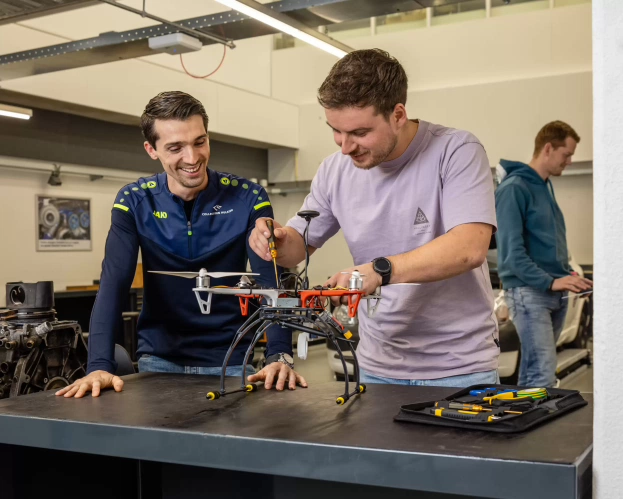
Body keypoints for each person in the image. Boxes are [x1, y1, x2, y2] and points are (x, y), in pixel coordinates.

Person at [248, 49, 499, 388]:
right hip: (377, 364)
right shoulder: (334, 170)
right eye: (336, 131)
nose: (345, 147)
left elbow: (468, 249)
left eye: (360, 132)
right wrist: (273, 239)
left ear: (398, 114)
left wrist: (379, 271)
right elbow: (296, 247)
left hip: (459, 366)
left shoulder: (456, 151)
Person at [57, 91, 306, 398]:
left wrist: (279, 355)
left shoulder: (249, 197)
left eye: (199, 142)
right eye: (175, 147)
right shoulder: (134, 201)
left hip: (231, 360)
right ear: (152, 149)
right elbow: (114, 284)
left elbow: (268, 282)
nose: (192, 158)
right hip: (157, 361)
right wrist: (98, 366)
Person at [495, 121, 592, 387]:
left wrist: (566, 274)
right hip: (530, 293)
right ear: (548, 148)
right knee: (541, 376)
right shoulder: (514, 188)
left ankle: (529, 425)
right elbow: (511, 255)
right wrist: (550, 281)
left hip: (552, 294)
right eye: (567, 154)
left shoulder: (544, 186)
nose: (570, 161)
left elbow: (545, 244)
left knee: (536, 375)